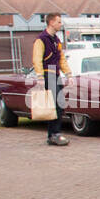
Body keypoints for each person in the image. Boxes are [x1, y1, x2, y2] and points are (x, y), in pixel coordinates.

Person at [32, 13, 71, 145]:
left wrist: (68, 73)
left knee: (59, 104)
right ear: (51, 23)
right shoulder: (41, 39)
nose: (61, 24)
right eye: (59, 22)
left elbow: (61, 58)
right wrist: (39, 76)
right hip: (48, 73)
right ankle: (54, 134)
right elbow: (37, 58)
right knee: (54, 105)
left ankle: (54, 133)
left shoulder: (56, 40)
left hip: (56, 74)